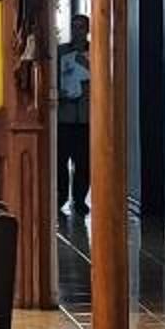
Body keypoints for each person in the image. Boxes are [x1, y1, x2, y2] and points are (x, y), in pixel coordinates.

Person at [58, 12, 91, 212]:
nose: (77, 31)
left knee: (83, 163)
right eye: (74, 27)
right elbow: (53, 77)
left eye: (81, 27)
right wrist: (57, 92)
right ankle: (60, 198)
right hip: (64, 116)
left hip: (86, 117)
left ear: (87, 29)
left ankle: (80, 200)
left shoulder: (95, 51)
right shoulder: (61, 52)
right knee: (61, 161)